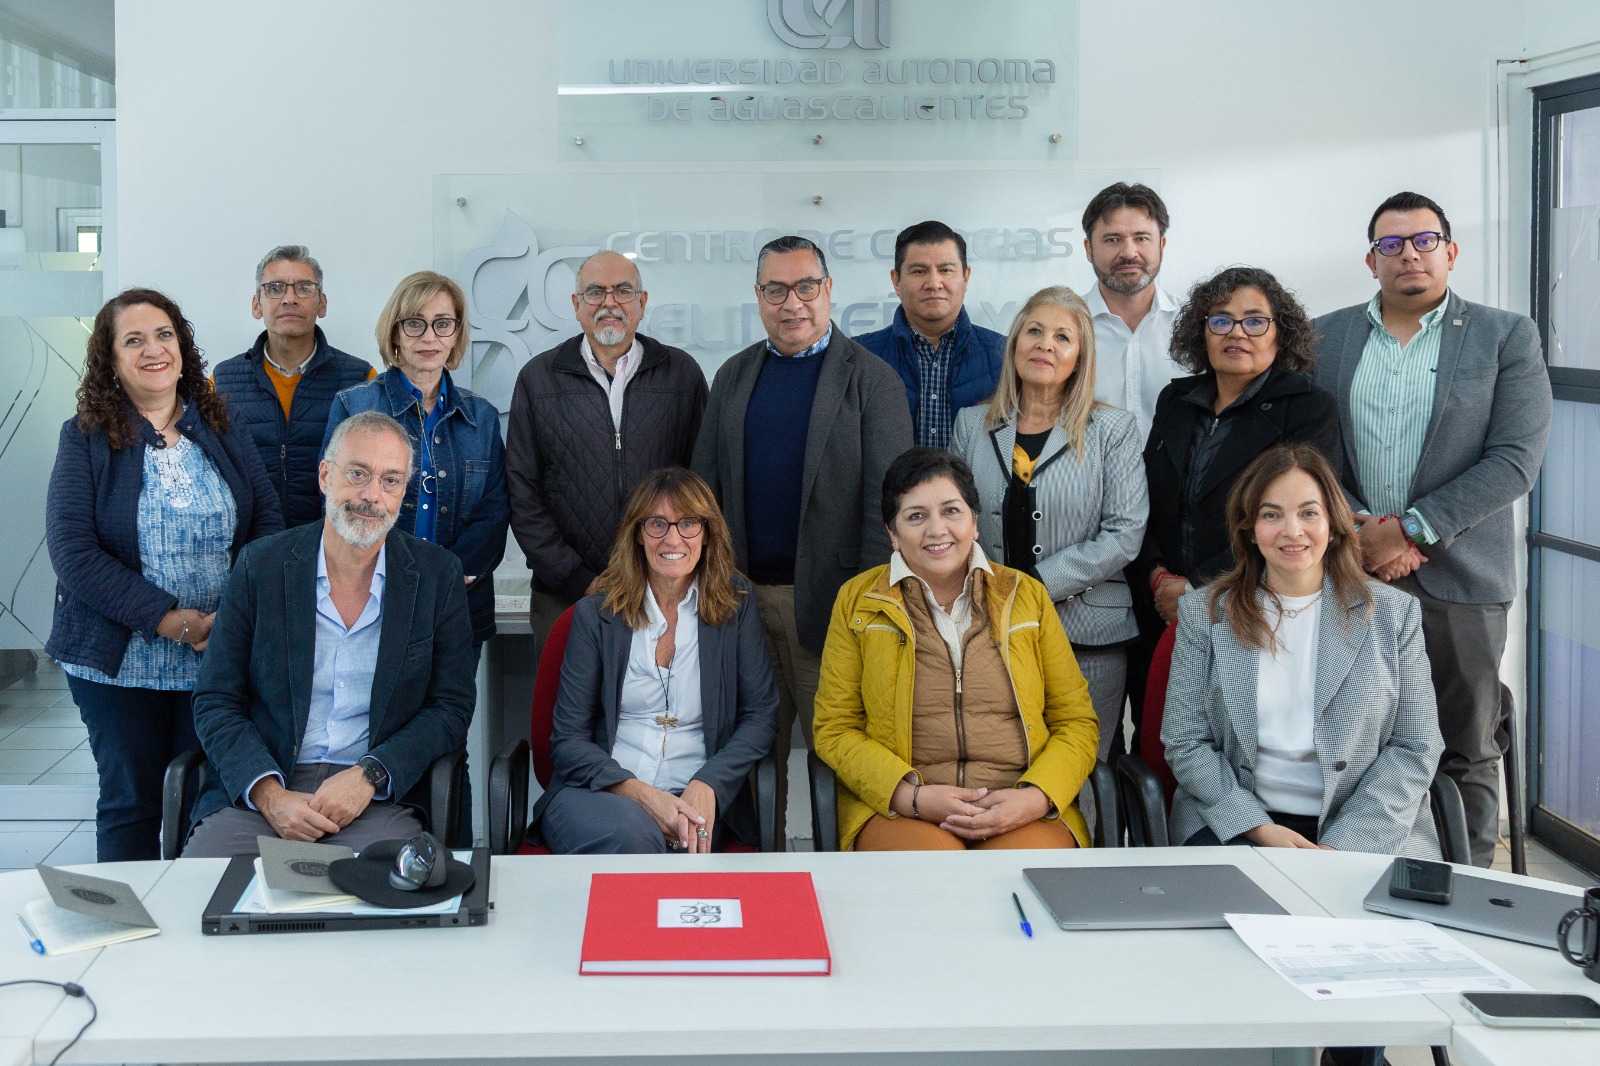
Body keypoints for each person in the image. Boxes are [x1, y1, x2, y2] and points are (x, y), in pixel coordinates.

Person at [1314, 191, 1552, 867]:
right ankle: (1356, 873)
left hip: (1462, 578)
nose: (1408, 254)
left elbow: (1514, 461)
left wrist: (1411, 532)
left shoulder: (1505, 335)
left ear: (1450, 251)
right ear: (1370, 260)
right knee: (1352, 735)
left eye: (1423, 241)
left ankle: (1465, 883)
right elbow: (1312, 448)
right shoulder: (1326, 337)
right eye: (1391, 245)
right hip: (1350, 567)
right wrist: (1360, 529)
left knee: (1466, 744)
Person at [45, 288, 284, 861]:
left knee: (206, 804)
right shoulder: (84, 437)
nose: (153, 350)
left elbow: (268, 524)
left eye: (164, 335)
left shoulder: (222, 425)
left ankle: (191, 934)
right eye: (134, 340)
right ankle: (126, 942)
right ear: (111, 359)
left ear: (181, 347)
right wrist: (168, 619)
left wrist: (232, 617)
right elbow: (74, 553)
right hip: (117, 664)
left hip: (217, 655)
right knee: (132, 803)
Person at [692, 235, 913, 845]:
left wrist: (864, 609)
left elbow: (888, 511)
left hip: (832, 605)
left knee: (839, 759)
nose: (792, 303)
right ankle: (754, 881)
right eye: (775, 290)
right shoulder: (733, 376)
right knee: (745, 759)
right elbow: (703, 493)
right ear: (758, 298)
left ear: (829, 291)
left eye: (805, 287)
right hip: (737, 605)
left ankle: (844, 878)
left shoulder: (873, 380)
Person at [183, 410, 476, 857]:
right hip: (265, 791)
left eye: (391, 480)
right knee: (205, 889)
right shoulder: (260, 566)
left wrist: (369, 775)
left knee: (381, 898)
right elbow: (216, 699)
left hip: (376, 801)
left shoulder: (436, 576)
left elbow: (451, 708)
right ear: (325, 475)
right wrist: (269, 795)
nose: (372, 495)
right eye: (358, 473)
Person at [1163, 442, 1443, 858]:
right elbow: (1185, 741)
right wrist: (1258, 827)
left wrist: (1337, 846)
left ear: (1333, 524)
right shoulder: (1205, 614)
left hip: (1368, 826)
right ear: (1249, 530)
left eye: (1309, 513)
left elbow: (1416, 746)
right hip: (1234, 821)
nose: (1292, 531)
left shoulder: (1393, 614)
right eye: (1271, 514)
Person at [814, 448, 1099, 851]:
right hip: (904, 805)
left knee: (1015, 879)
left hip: (1017, 802)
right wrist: (910, 796)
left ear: (974, 521)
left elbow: (1076, 722)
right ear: (892, 533)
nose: (937, 530)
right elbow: (835, 727)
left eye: (951, 511)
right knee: (936, 878)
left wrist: (1035, 797)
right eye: (916, 516)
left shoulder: (1026, 596)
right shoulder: (858, 601)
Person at [1130, 266, 1342, 750]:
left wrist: (1199, 588)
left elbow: (1300, 521)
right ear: (1201, 332)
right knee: (1159, 740)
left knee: (1234, 742)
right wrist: (1158, 575)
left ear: (1280, 333)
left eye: (1254, 321)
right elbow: (1144, 496)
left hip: (1252, 605)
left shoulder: (1307, 407)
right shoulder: (1176, 400)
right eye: (1220, 320)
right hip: (1158, 605)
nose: (1236, 333)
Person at [528, 467, 780, 853]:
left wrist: (707, 784)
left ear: (708, 533)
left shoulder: (735, 606)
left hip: (696, 798)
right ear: (638, 535)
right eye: (657, 524)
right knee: (636, 838)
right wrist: (644, 796)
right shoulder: (596, 614)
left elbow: (761, 715)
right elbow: (568, 741)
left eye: (689, 523)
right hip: (601, 795)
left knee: (681, 845)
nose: (673, 538)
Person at [951, 286, 1146, 761]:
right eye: (1034, 331)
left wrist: (1037, 585)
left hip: (1086, 634)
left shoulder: (1112, 430)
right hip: (987, 629)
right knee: (1002, 760)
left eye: (1063, 337)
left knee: (1083, 767)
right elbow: (954, 524)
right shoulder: (971, 426)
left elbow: (1125, 533)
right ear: (1015, 342)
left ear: (1079, 358)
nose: (1045, 344)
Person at [504, 250, 708, 650]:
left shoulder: (681, 374)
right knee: (568, 708)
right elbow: (521, 491)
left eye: (623, 291)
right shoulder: (538, 379)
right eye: (595, 292)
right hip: (564, 594)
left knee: (657, 708)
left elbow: (704, 483)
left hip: (664, 589)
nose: (609, 302)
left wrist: (673, 569)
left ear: (642, 303)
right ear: (576, 305)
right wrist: (578, 579)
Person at [324, 271, 509, 654]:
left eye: (442, 324)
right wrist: (395, 578)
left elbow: (494, 511)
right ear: (395, 333)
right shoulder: (353, 405)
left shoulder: (482, 417)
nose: (429, 337)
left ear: (456, 333)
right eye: (415, 324)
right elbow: (336, 500)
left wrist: (446, 579)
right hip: (371, 597)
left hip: (457, 603)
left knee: (448, 712)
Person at [211, 245, 374, 528]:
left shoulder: (361, 378)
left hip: (332, 544)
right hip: (252, 546)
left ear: (322, 303)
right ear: (256, 304)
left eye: (303, 288)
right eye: (275, 288)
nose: (289, 298)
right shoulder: (221, 381)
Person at [854, 220, 1004, 449]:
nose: (934, 283)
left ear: (966, 277)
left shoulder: (1005, 356)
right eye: (919, 271)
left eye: (946, 270)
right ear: (896, 280)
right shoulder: (859, 357)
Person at [1081, 183, 1184, 440]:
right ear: (1088, 249)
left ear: (1161, 245)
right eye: (1112, 239)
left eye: (1141, 238)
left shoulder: (1193, 324)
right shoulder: (1065, 326)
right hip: (1088, 479)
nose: (1129, 252)